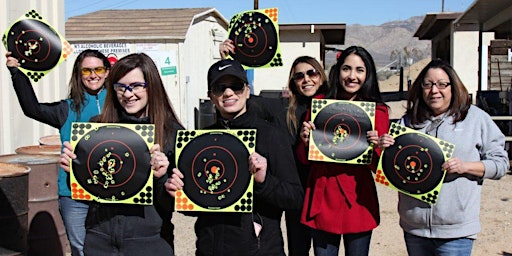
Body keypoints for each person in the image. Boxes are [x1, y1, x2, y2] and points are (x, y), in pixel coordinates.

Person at [165, 59, 304, 255]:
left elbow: (296, 197)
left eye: (236, 86)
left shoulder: (271, 135)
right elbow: (194, 208)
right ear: (211, 96)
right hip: (209, 249)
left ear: (247, 91)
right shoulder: (200, 140)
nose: (228, 93)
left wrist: (264, 182)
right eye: (220, 88)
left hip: (259, 250)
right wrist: (180, 193)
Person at [377, 59, 509, 256]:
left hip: (456, 231)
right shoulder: (408, 121)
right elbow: (396, 168)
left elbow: (500, 164)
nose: (434, 90)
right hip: (414, 228)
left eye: (441, 84)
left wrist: (466, 166)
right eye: (428, 84)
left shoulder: (476, 118)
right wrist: (386, 148)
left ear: (453, 87)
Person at [59, 53, 183, 255]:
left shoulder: (172, 133)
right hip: (100, 238)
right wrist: (73, 170)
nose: (127, 94)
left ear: (151, 86)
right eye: (120, 87)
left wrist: (162, 178)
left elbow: (174, 204)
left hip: (150, 241)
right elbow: (89, 191)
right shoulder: (96, 128)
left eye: (135, 86)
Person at [220, 39, 334, 255]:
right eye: (299, 76)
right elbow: (243, 98)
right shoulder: (283, 110)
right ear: (292, 82)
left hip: (326, 191)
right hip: (297, 193)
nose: (306, 79)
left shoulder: (335, 107)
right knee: (298, 249)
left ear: (321, 76)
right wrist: (230, 63)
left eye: (312, 73)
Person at [6, 49, 111, 256]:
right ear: (78, 75)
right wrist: (16, 73)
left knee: (109, 246)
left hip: (112, 191)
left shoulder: (119, 103)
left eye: (98, 69)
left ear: (107, 72)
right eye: (86, 71)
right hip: (74, 193)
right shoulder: (67, 109)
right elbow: (32, 108)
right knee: (80, 248)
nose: (93, 75)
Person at [298, 46, 389, 256]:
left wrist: (379, 149)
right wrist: (305, 142)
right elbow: (304, 160)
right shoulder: (318, 105)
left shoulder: (378, 112)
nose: (352, 76)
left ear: (368, 75)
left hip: (358, 199)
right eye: (346, 69)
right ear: (338, 71)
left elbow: (380, 169)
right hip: (322, 196)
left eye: (359, 70)